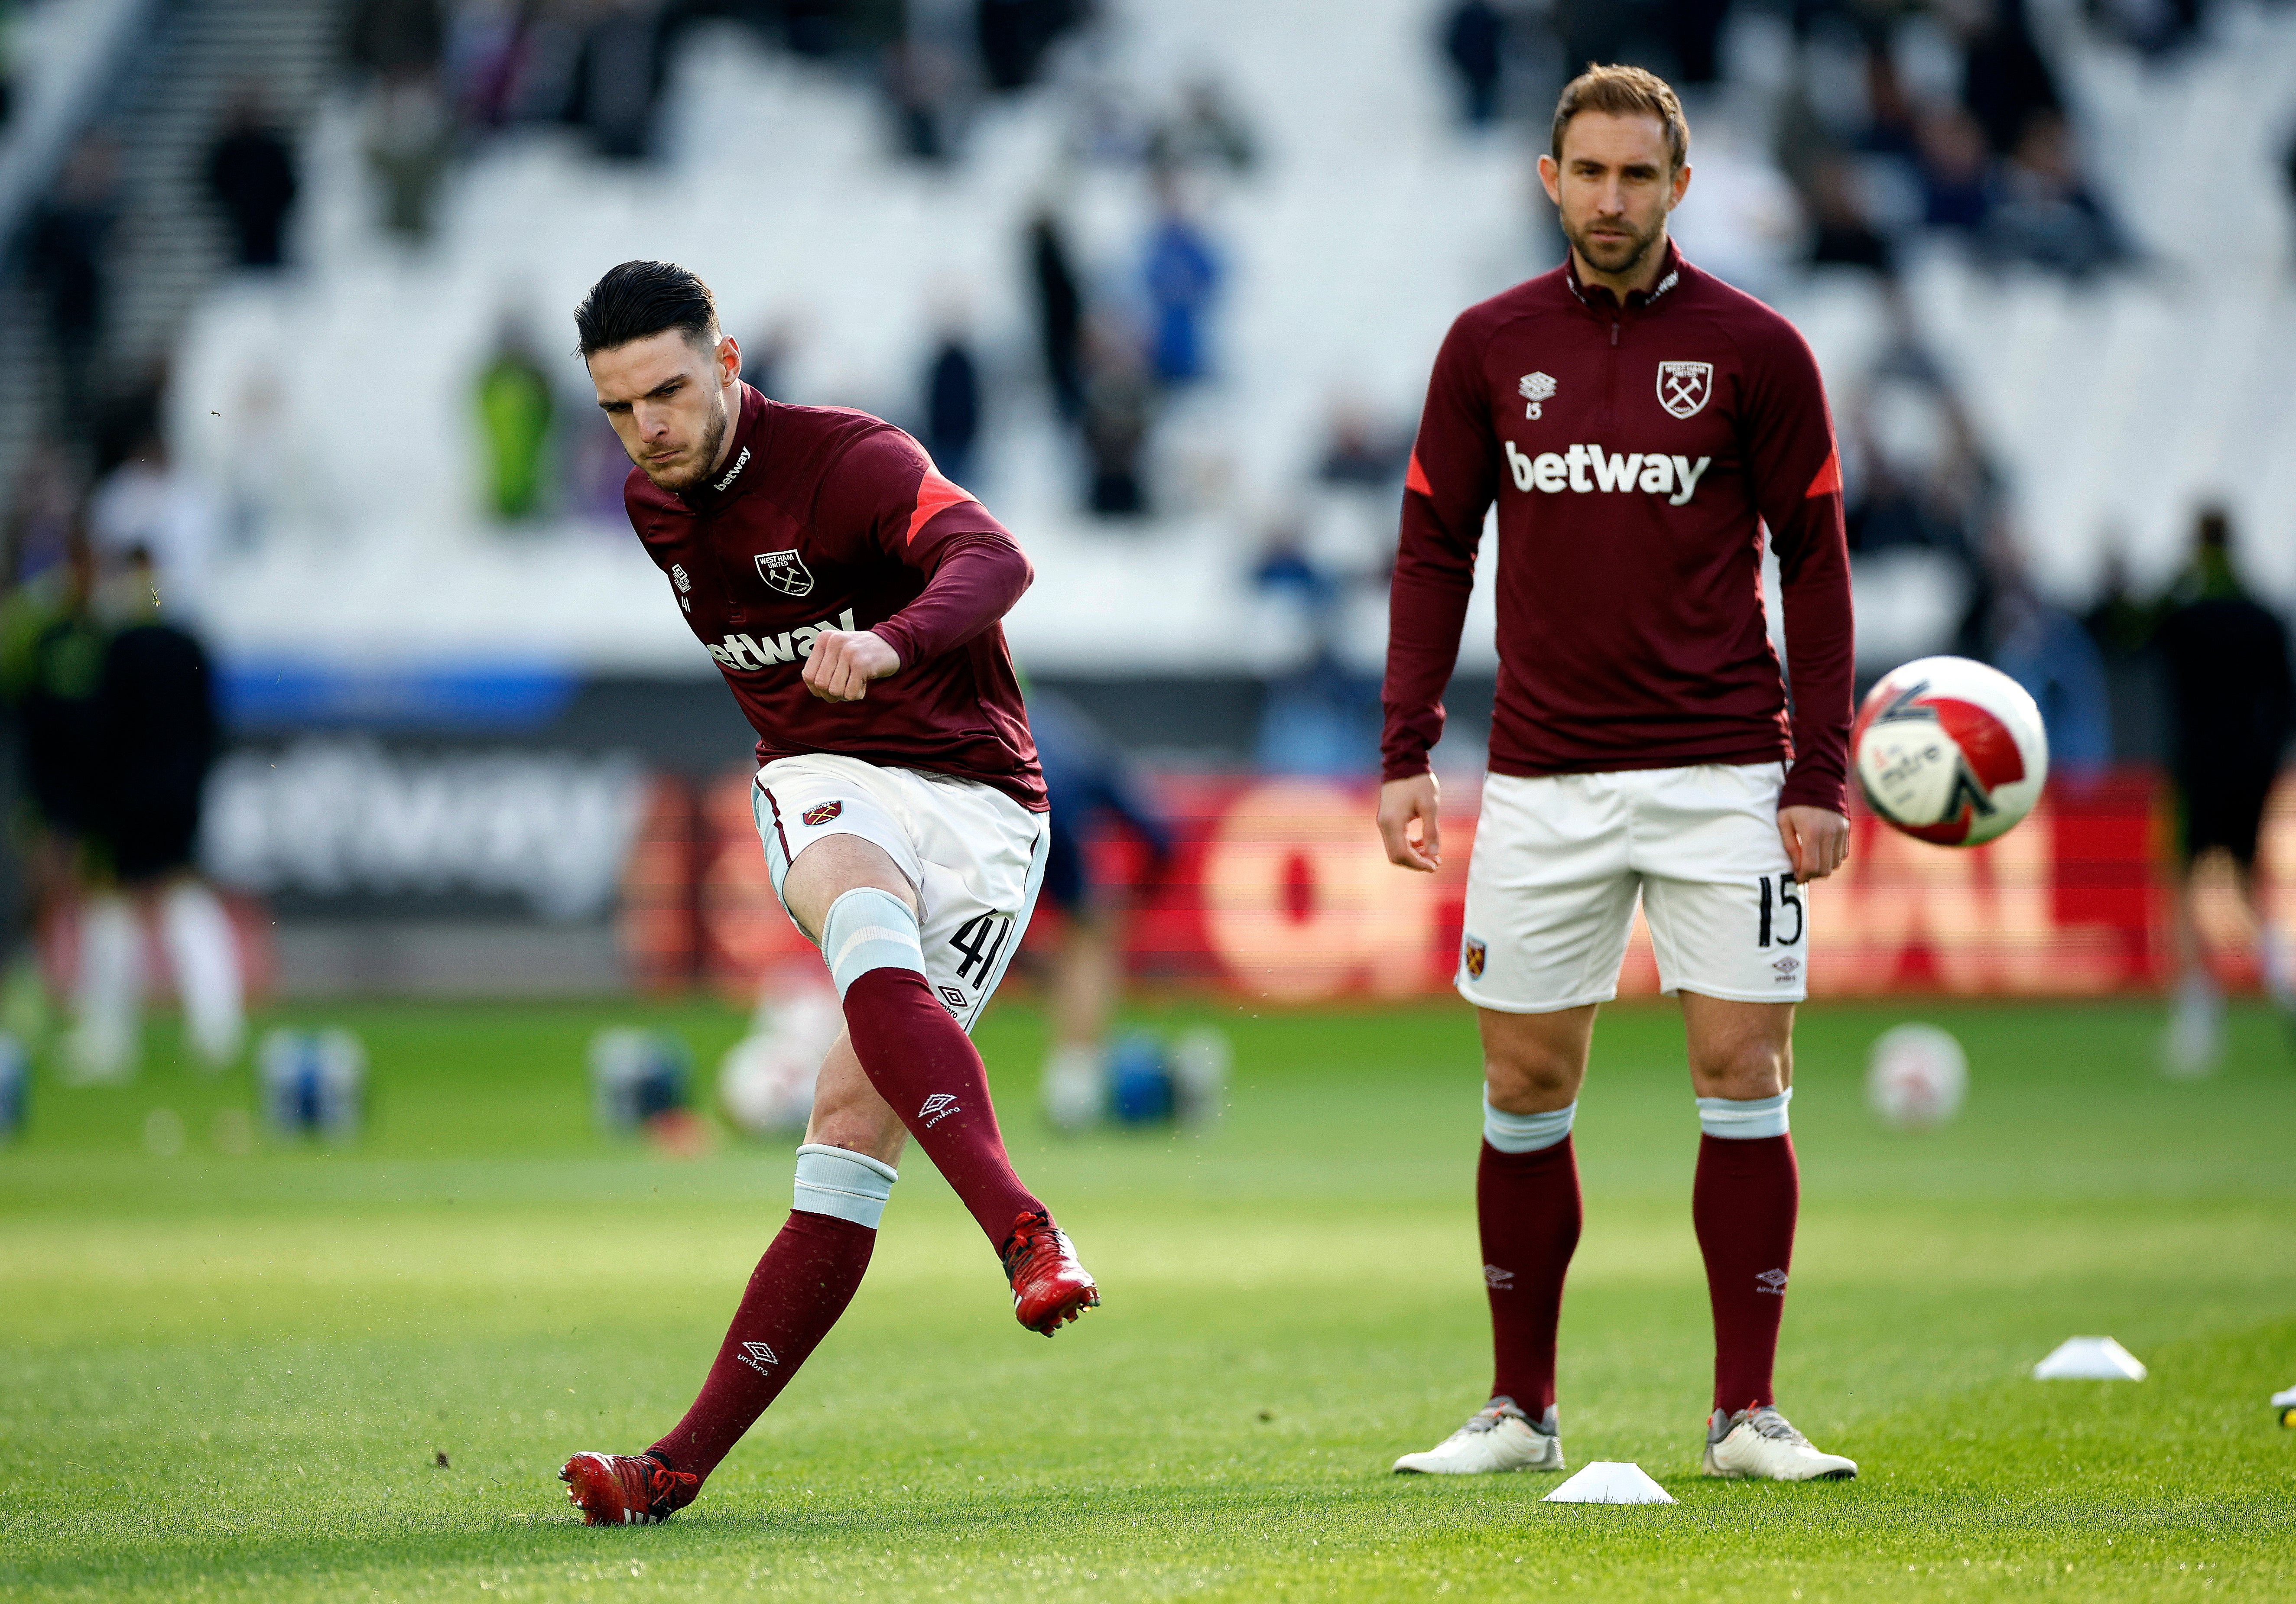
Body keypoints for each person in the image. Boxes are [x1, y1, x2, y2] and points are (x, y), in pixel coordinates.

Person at [557, 260, 1098, 1527]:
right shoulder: (651, 502)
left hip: (980, 804)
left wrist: (888, 639)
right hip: (819, 775)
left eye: (671, 390)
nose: (650, 427)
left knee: (848, 1138)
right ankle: (1022, 1230)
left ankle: (678, 1461)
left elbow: (995, 557)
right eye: (620, 406)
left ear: (729, 360)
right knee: (856, 917)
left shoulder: (849, 459)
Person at [1376, 66, 1859, 1484]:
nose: (1609, 199)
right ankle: (1520, 1410)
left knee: (1744, 1067)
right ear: (1549, 178)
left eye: (1637, 176)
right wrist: (1407, 746)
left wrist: (1817, 769)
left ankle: (1746, 1414)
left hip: (1724, 774)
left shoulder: (1759, 350)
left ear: (1681, 188)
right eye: (1587, 173)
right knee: (1524, 1083)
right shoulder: (1486, 347)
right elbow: (1432, 550)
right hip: (1541, 780)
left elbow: (1816, 563)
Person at [2155, 507, 2295, 1072]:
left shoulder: (2187, 614)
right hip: (2253, 767)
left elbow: (2135, 636)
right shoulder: (2263, 614)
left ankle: (2198, 1016)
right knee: (2244, 879)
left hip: (2195, 768)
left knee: (2185, 884)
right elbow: (2285, 699)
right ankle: (2282, 974)